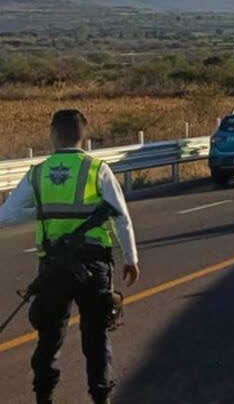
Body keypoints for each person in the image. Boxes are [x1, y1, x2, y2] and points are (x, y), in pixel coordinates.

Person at [0, 109, 140, 404]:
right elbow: (121, 218)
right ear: (84, 135)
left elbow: (7, 215)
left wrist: (39, 210)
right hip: (94, 266)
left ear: (52, 134)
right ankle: (101, 397)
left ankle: (44, 396)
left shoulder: (37, 172)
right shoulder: (97, 169)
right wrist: (131, 258)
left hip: (53, 268)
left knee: (49, 336)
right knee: (96, 335)